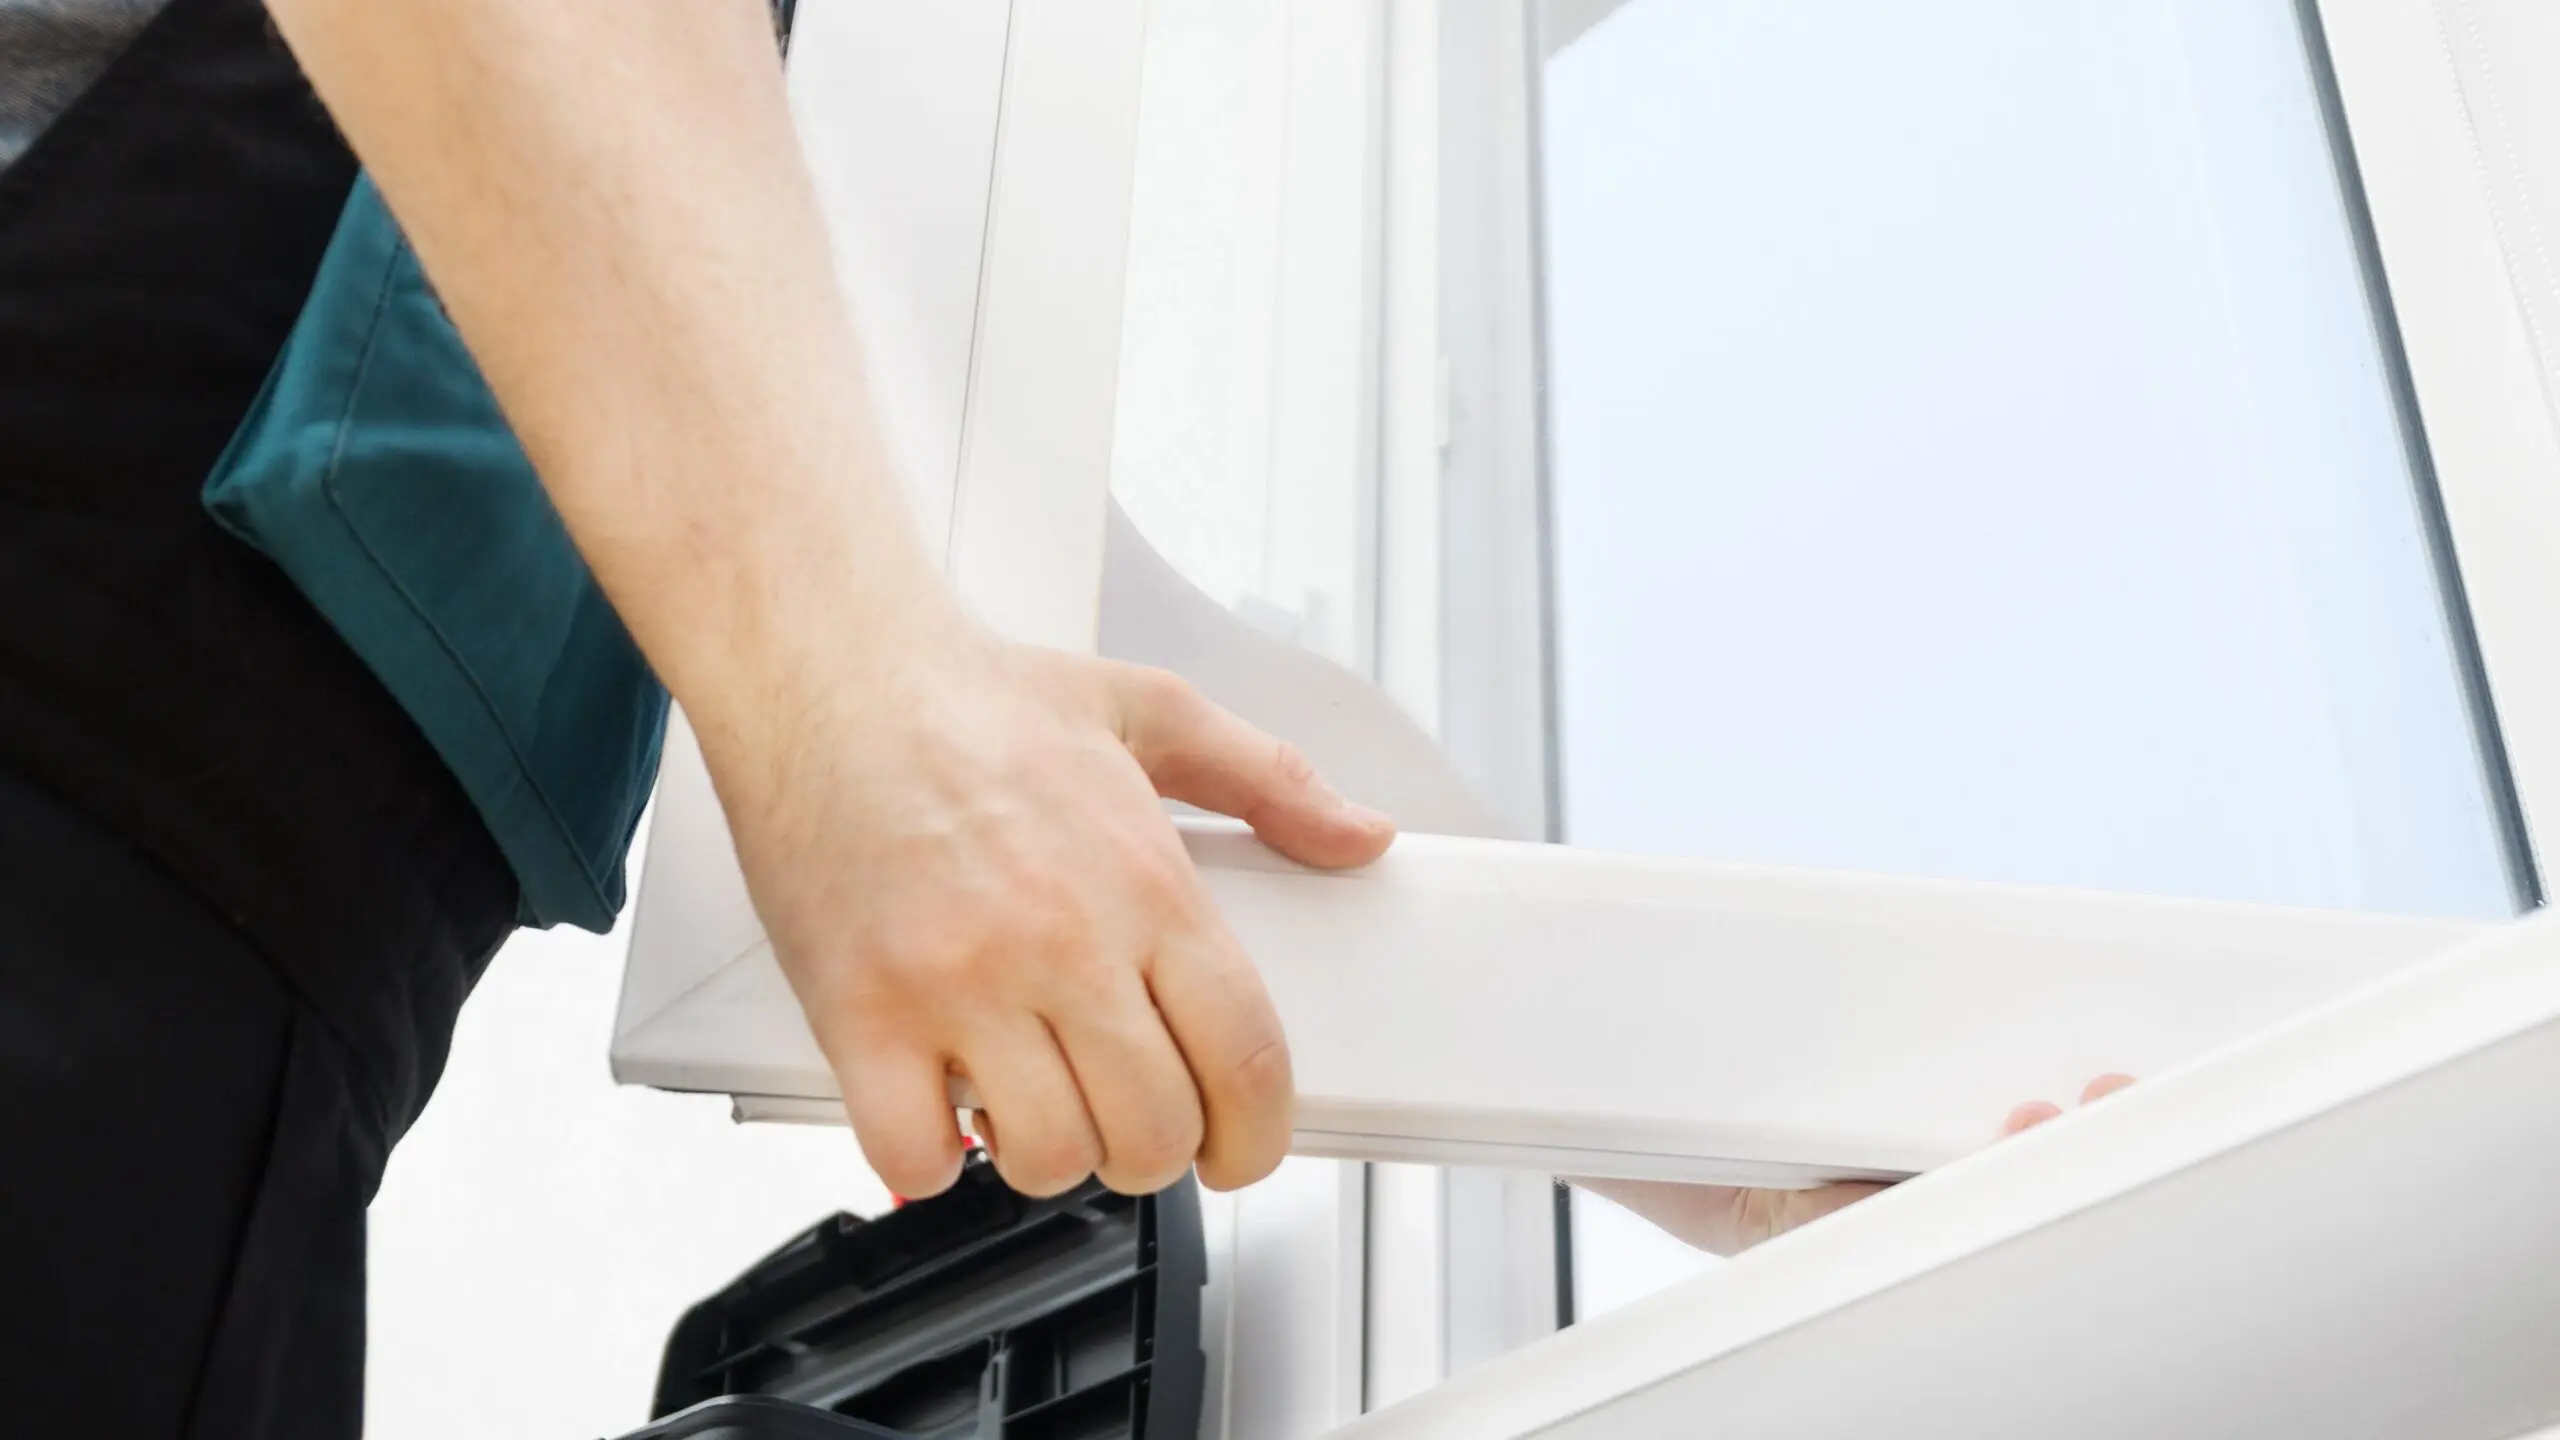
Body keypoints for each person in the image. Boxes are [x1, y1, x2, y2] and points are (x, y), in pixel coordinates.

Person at [0, 2, 2127, 1433]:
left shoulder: (808, 139)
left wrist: (1781, 1159)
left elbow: (1106, 651)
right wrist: (839, 693)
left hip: (224, 1158)